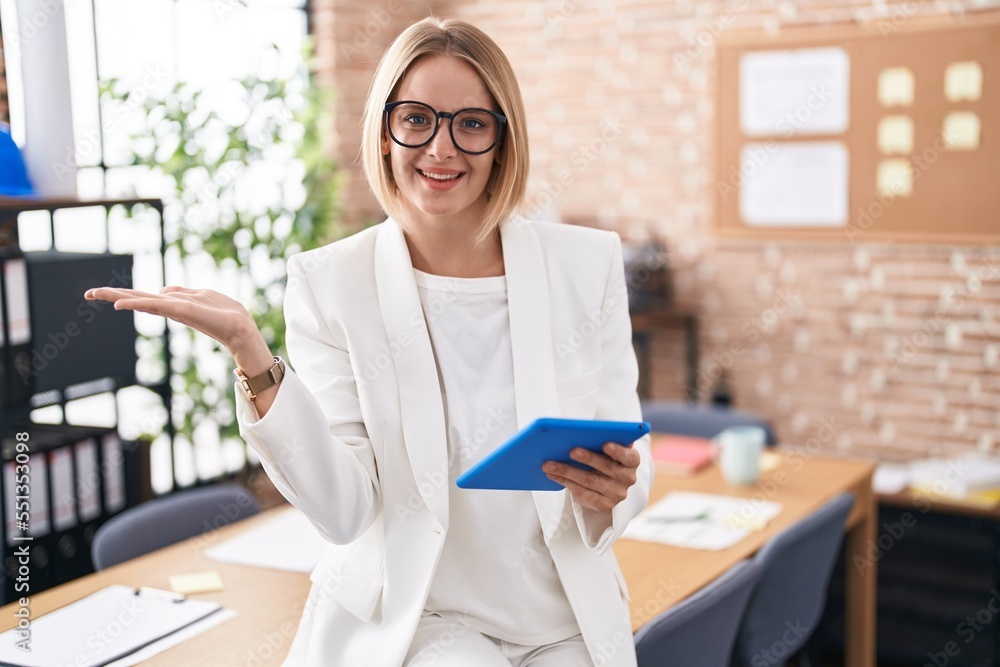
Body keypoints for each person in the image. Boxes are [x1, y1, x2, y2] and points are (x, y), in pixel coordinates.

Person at [85, 16, 652, 667]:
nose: (441, 149)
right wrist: (251, 353)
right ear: (384, 132)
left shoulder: (585, 265)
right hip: (419, 617)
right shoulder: (331, 283)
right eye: (416, 118)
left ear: (503, 138)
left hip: (561, 615)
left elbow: (625, 440)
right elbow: (344, 512)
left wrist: (614, 489)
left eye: (471, 123)